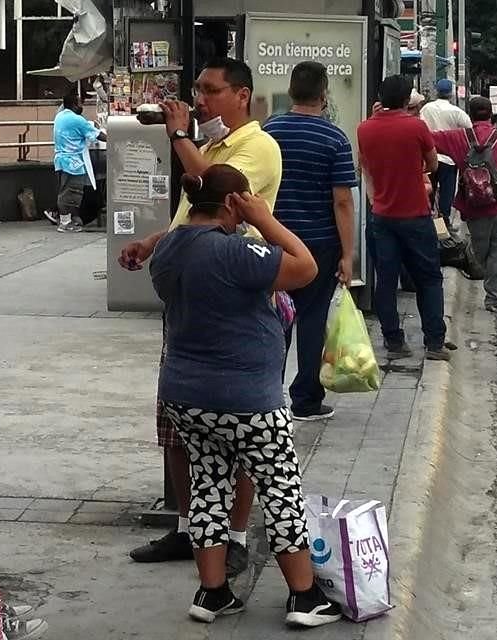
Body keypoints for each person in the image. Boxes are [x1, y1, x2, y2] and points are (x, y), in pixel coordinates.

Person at [150, 164, 341, 628]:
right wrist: (265, 220)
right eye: (247, 200)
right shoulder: (236, 251)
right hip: (248, 399)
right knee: (281, 490)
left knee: (208, 487)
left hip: (185, 396)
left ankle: (212, 593)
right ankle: (304, 597)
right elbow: (306, 267)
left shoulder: (169, 249)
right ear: (235, 203)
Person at [120, 57, 282, 575]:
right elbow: (196, 217)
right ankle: (190, 525)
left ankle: (232, 534)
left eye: (211, 90)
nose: (202, 98)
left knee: (244, 422)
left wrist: (178, 134)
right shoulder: (209, 146)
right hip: (192, 292)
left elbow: (212, 189)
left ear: (242, 95)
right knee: (177, 416)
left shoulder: (257, 147)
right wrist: (151, 242)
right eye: (197, 89)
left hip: (240, 291)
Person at [262, 61, 357, 422]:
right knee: (312, 318)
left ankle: (268, 395)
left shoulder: (270, 131)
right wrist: (348, 255)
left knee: (275, 318)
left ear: (291, 90)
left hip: (276, 242)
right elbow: (343, 202)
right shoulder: (334, 139)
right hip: (319, 244)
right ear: (324, 93)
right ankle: (305, 400)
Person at [357, 75, 451, 360]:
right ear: (405, 100)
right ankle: (434, 342)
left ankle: (393, 340)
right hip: (415, 215)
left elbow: (364, 165)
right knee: (429, 278)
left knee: (385, 280)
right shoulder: (416, 127)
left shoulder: (364, 129)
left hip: (382, 216)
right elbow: (433, 163)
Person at [431, 96, 497, 312]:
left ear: (469, 115)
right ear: (493, 114)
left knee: (481, 253)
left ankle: (496, 297)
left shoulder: (459, 137)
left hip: (474, 208)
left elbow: (427, 138)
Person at [420, 78, 472, 231]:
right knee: (447, 191)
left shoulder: (426, 109)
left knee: (429, 187)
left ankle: (428, 218)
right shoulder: (457, 112)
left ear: (437, 91)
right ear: (451, 93)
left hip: (429, 156)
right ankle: (445, 221)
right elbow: (469, 129)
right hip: (449, 159)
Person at [52, 92, 106, 233]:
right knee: (71, 193)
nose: (82, 106)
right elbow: (97, 134)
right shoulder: (77, 119)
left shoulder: (60, 116)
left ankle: (68, 220)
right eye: (80, 103)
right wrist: (117, 137)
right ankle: (65, 223)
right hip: (73, 163)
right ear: (75, 104)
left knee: (65, 191)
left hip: (60, 161)